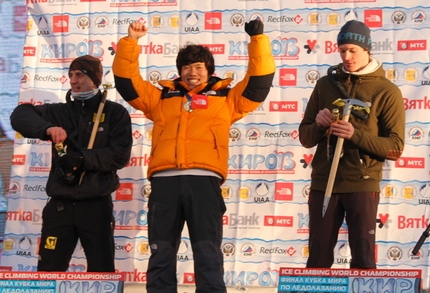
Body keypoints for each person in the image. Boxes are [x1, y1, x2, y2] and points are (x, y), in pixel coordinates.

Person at [112, 19, 275, 292]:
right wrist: (131, 42)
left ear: (209, 70)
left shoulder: (226, 99)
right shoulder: (161, 97)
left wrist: (258, 39)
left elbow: (259, 82)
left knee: (208, 253)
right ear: (179, 71)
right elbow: (127, 83)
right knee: (161, 252)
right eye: (186, 67)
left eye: (199, 66)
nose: (192, 72)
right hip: (165, 183)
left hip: (204, 182)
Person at [10, 55, 132, 272]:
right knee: (49, 270)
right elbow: (20, 114)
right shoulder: (60, 111)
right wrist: (47, 129)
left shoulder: (115, 113)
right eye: (71, 75)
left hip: (96, 205)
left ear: (95, 79)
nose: (73, 81)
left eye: (80, 75)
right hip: (60, 205)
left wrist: (82, 160)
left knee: (101, 271)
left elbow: (119, 155)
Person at [299, 20, 405, 269]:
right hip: (324, 183)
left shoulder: (386, 91)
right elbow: (306, 138)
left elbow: (395, 148)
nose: (346, 56)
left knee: (363, 259)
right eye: (342, 50)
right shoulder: (325, 85)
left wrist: (355, 135)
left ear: (367, 49)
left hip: (362, 183)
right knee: (317, 259)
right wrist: (319, 125)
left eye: (353, 50)